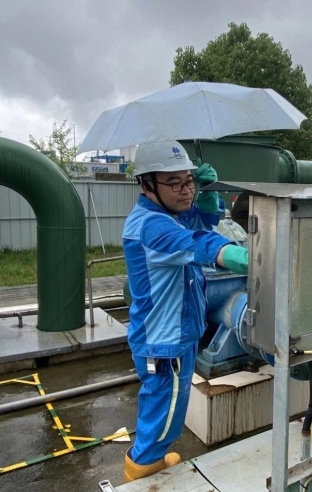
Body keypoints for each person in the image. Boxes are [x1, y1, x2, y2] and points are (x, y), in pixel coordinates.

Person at [122, 140, 248, 483]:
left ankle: (151, 462)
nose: (186, 190)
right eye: (174, 183)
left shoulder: (165, 214)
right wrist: (249, 258)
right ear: (147, 185)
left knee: (164, 409)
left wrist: (207, 198)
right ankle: (143, 475)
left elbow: (199, 223)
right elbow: (197, 241)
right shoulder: (151, 226)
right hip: (165, 342)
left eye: (189, 181)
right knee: (163, 418)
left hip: (175, 334)